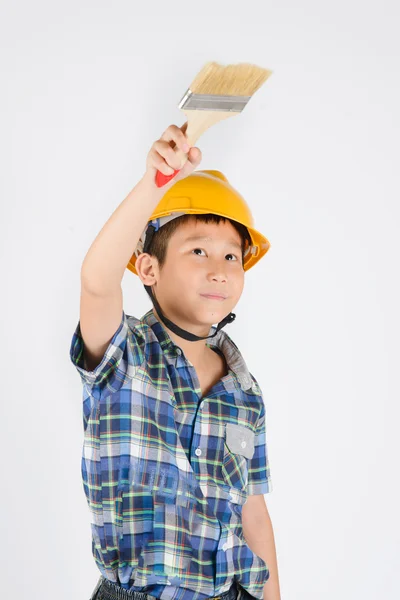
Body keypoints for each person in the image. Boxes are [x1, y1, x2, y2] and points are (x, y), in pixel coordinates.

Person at [70, 124, 281, 600]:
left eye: (232, 256)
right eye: (198, 250)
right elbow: (96, 281)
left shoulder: (245, 393)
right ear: (147, 267)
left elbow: (254, 514)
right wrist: (156, 184)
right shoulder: (124, 356)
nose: (219, 269)